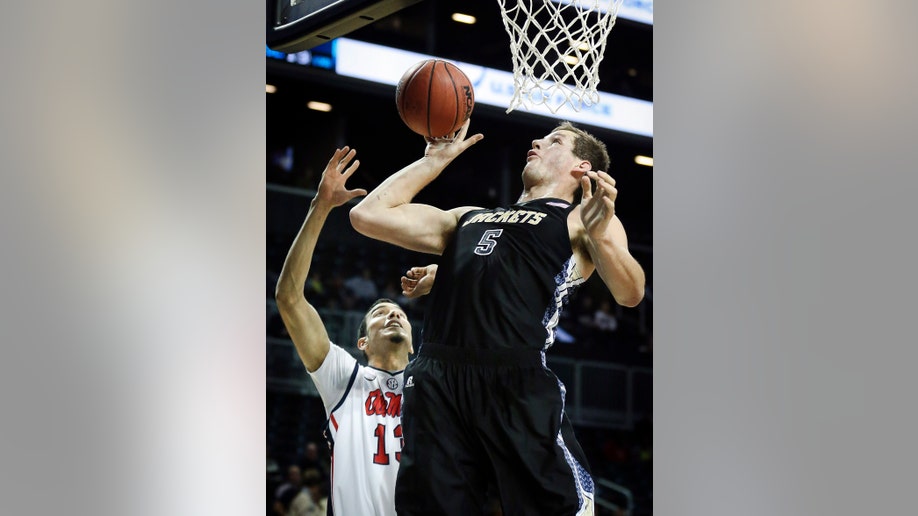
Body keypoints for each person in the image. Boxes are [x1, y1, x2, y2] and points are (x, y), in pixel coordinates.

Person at [350, 120, 646, 515]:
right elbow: (367, 215)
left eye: (555, 141)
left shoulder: (582, 219)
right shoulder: (469, 216)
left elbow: (631, 293)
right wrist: (431, 162)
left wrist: (603, 234)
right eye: (541, 136)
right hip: (437, 378)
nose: (537, 141)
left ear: (582, 168)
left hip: (514, 379)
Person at [274, 146, 419, 516]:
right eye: (379, 312)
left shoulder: (433, 384)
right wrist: (320, 206)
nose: (392, 315)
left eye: (399, 312)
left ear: (415, 346)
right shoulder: (344, 376)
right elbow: (289, 298)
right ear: (361, 342)